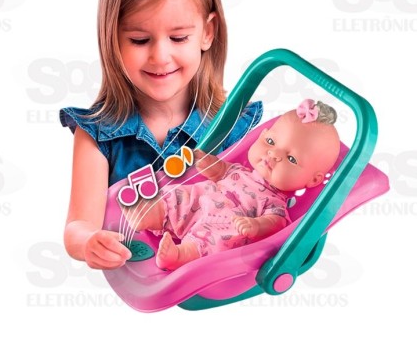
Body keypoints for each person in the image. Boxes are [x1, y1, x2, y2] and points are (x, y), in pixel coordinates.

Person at [60, 0, 263, 269]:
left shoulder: (232, 125)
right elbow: (78, 225)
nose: (160, 56)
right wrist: (88, 242)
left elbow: (263, 197)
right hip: (139, 286)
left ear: (207, 33)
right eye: (139, 40)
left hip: (222, 277)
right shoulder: (97, 135)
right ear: (112, 37)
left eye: (178, 37)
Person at [124, 100, 341, 270]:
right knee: (179, 195)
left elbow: (275, 224)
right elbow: (220, 171)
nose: (273, 154)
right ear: (262, 135)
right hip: (199, 203)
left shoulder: (275, 203)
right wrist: (207, 162)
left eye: (291, 159)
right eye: (271, 142)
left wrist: (256, 226)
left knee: (221, 240)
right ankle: (152, 213)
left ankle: (180, 255)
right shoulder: (240, 170)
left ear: (313, 180)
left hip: (223, 224)